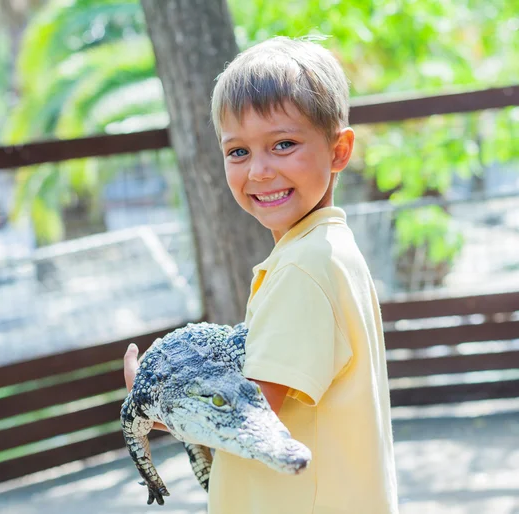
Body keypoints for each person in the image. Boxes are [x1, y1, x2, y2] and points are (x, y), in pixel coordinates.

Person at [124, 36, 399, 514]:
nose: (260, 171)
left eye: (283, 144)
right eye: (238, 152)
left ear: (339, 150)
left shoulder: (303, 267)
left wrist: (151, 395)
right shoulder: (328, 248)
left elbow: (248, 413)